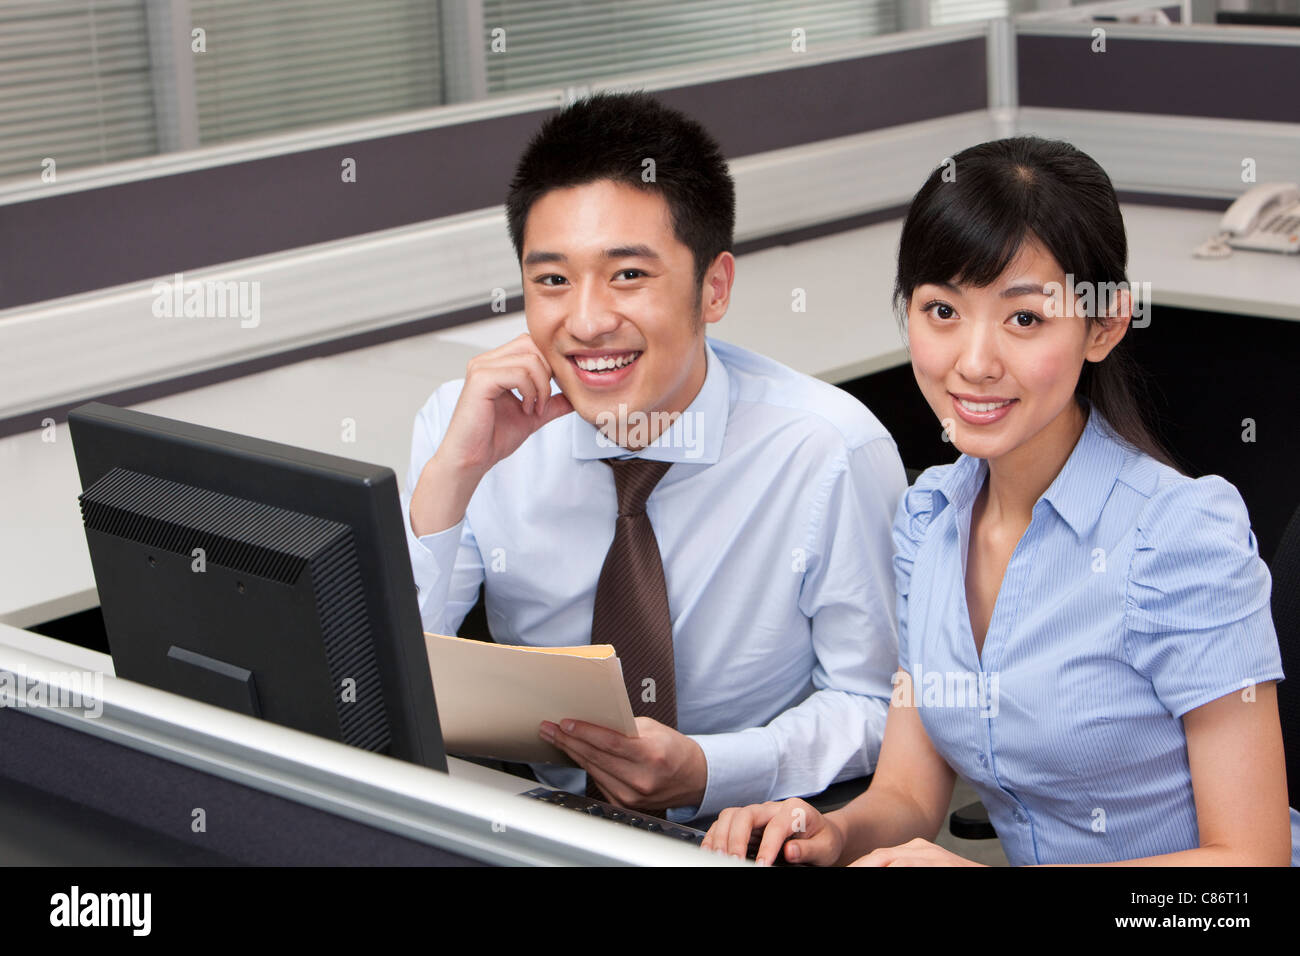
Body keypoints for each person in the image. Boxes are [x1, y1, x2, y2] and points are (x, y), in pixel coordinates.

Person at [703, 135, 1299, 865]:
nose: (974, 364)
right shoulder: (930, 522)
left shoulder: (1178, 537)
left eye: (1025, 319)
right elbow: (910, 798)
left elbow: (1248, 870)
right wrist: (828, 831)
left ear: (1105, 325)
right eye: (942, 312)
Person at [402, 91, 907, 823]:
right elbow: (376, 678)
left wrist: (713, 770)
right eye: (552, 280)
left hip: (748, 831)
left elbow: (878, 703)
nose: (587, 321)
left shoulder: (827, 450)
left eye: (628, 275)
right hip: (545, 826)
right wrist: (452, 479)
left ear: (714, 288)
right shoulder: (467, 425)